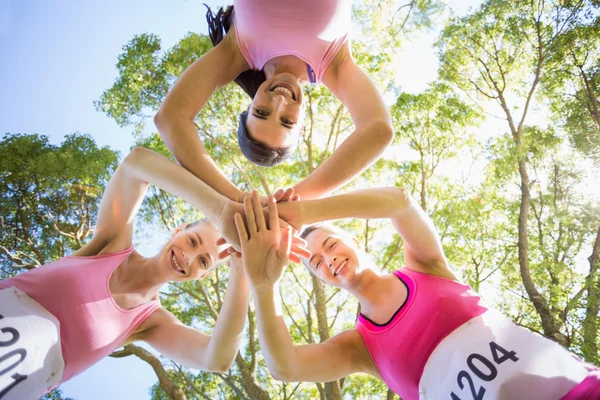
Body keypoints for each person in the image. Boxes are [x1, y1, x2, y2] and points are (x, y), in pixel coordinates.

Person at [0, 147, 309, 399]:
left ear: (203, 275)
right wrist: (222, 209)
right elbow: (136, 163)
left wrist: (243, 263)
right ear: (177, 231)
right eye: (192, 241)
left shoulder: (150, 322)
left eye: (203, 262)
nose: (188, 258)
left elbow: (217, 358)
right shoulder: (111, 243)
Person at [234, 188, 600, 400]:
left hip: (575, 388)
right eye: (315, 263)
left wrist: (302, 211)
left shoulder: (425, 267)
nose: (327, 259)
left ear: (355, 239)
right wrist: (265, 285)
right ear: (321, 280)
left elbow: (398, 201)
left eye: (330, 244)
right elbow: (285, 367)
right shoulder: (360, 348)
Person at [154, 0, 394, 202]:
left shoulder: (237, 51)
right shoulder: (333, 65)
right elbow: (378, 131)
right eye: (287, 121)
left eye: (261, 112)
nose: (279, 102)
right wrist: (295, 200)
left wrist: (234, 200)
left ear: (249, 105)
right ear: (302, 126)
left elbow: (170, 118)